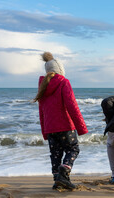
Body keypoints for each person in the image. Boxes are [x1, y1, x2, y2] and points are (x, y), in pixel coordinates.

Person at [33, 52, 88, 190]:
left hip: (51, 127)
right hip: (65, 126)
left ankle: (58, 180)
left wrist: (45, 131)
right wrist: (81, 128)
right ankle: (64, 171)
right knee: (73, 149)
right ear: (61, 71)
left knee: (55, 154)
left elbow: (42, 112)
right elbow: (72, 105)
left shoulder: (43, 86)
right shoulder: (64, 82)